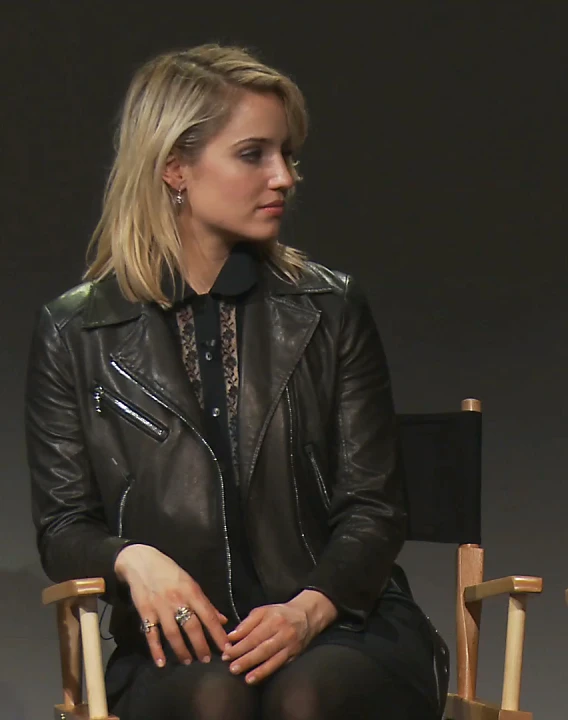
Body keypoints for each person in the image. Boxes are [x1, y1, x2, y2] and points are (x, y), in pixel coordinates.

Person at [26, 44, 448, 720]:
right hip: (182, 643)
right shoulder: (76, 332)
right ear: (174, 168)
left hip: (342, 622)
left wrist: (308, 612)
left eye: (288, 154)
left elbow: (375, 507)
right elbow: (64, 527)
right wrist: (133, 559)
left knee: (304, 695)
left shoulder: (329, 308)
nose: (283, 177)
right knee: (215, 699)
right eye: (254, 154)